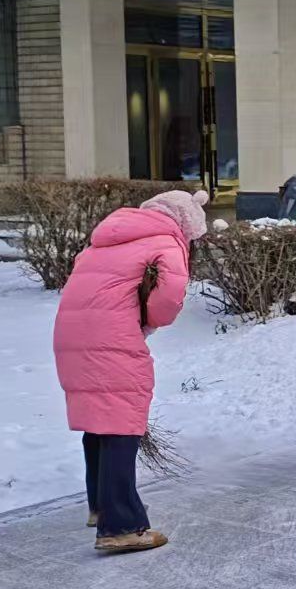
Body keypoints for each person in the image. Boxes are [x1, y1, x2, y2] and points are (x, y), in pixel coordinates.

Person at [53, 188, 212, 554]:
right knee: (121, 424)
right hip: (112, 336)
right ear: (186, 222)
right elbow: (170, 295)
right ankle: (121, 525)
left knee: (98, 419)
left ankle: (102, 506)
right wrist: (149, 320)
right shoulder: (167, 241)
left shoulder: (105, 240)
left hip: (70, 336)